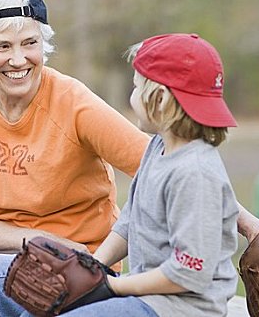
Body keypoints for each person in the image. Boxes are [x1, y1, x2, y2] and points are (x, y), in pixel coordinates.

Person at [0, 0, 259, 317]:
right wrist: (40, 241)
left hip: (77, 264)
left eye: (30, 43)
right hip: (8, 253)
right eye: (2, 46)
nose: (18, 59)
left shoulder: (72, 101)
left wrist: (254, 228)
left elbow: (161, 161)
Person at [61, 33, 239, 317]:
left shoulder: (194, 173)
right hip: (147, 296)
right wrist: (93, 268)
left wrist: (113, 286)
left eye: (135, 87)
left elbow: (188, 272)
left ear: (159, 98)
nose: (131, 97)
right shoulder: (158, 146)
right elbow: (132, 219)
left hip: (181, 308)